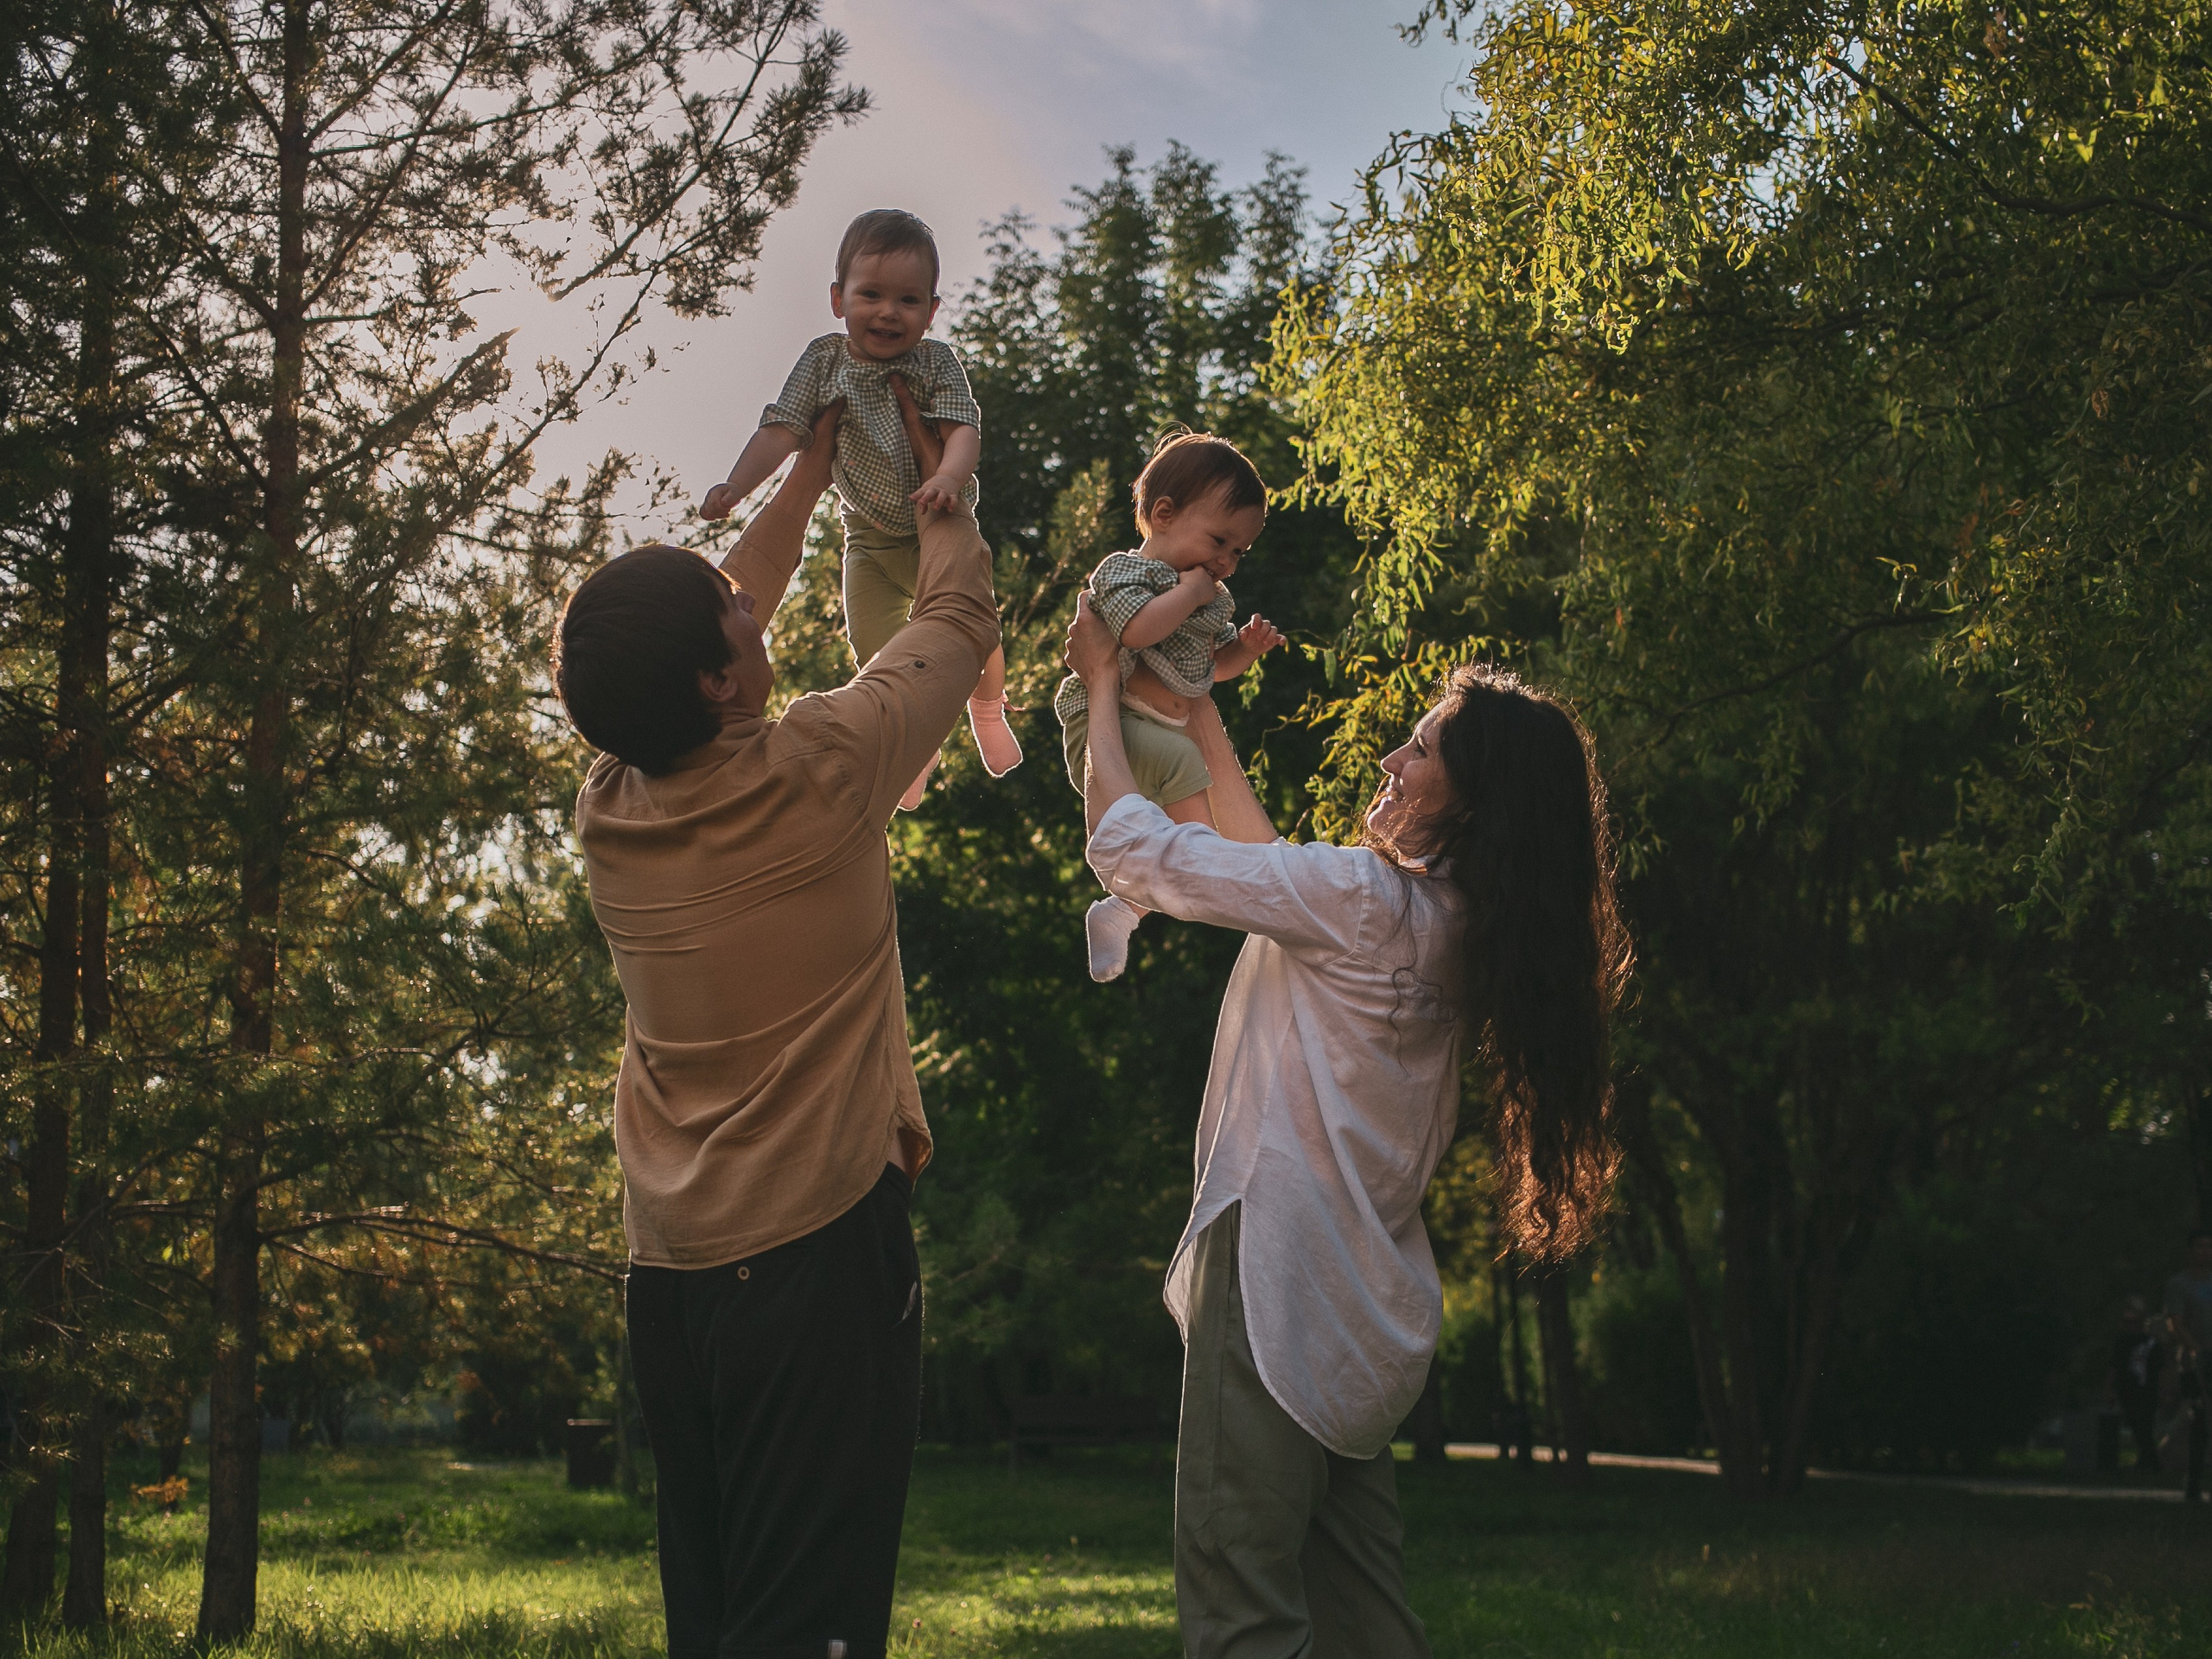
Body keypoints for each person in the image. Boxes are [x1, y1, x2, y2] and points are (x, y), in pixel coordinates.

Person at [1064, 601, 1628, 1658]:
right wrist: (1197, 706)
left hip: (1273, 1279)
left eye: (1417, 748)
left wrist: (1101, 684)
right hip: (1358, 1310)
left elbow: (1132, 850)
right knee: (1366, 1627)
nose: (1389, 759)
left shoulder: (1365, 903)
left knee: (1240, 1612)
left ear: (1471, 802)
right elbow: (1267, 866)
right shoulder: (1455, 927)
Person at [556, 397, 1000, 1656]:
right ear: (713, 680)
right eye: (735, 617)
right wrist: (940, 484)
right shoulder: (825, 766)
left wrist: (808, 469)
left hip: (673, 1279)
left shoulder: (610, 809)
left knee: (716, 1623)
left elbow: (714, 608)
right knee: (811, 1629)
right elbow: (956, 619)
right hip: (815, 1262)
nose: (755, 606)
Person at [700, 207, 1019, 810]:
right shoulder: (824, 361)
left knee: (975, 626)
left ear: (931, 311)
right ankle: (913, 747)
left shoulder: (935, 363)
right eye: (871, 294)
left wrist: (947, 477)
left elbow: (963, 429)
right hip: (868, 537)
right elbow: (782, 428)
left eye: (908, 300)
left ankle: (986, 708)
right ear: (837, 299)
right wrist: (737, 485)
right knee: (875, 653)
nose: (889, 312)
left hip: (935, 521)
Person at [1051, 431, 1283, 981]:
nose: (1225, 562)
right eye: (1219, 541)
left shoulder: (1207, 597)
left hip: (1157, 737)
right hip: (1110, 725)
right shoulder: (1128, 573)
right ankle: (1190, 868)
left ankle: (1124, 911)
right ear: (1163, 514)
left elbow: (1209, 670)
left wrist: (1245, 651)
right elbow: (1136, 631)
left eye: (1239, 552)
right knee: (1190, 800)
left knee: (1175, 841)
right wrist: (1190, 594)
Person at [2164, 1225, 2212, 1503]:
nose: (2206, 1252)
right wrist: (2195, 1349)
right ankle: (2193, 1483)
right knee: (2199, 1420)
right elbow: (2175, 1323)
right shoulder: (2179, 1284)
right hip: (2196, 1362)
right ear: (2190, 1250)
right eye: (2200, 1246)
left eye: (2209, 1246)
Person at [2107, 1295, 2166, 1473]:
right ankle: (2148, 1460)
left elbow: (2160, 1368)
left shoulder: (2151, 1343)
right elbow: (2114, 1366)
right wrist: (2109, 1389)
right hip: (2128, 1389)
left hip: (2147, 1391)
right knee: (2136, 1425)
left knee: (2144, 1426)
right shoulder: (2122, 1341)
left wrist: (2164, 1390)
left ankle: (2151, 1461)